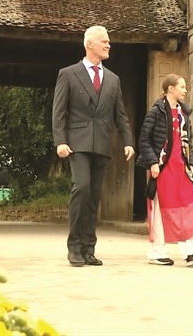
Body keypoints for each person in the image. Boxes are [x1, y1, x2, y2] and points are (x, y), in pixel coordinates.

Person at [52, 25, 135, 267]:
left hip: (102, 143)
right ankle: (74, 246)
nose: (109, 45)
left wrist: (128, 141)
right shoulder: (68, 74)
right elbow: (59, 112)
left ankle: (89, 248)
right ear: (89, 44)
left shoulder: (113, 79)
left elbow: (120, 114)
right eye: (104, 41)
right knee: (82, 188)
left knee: (94, 196)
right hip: (76, 144)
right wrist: (60, 141)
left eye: (109, 42)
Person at [136, 74, 193, 267]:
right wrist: (152, 163)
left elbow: (189, 142)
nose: (185, 90)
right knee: (161, 209)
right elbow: (144, 139)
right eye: (182, 87)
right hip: (162, 168)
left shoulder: (185, 114)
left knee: (189, 205)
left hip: (181, 167)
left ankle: (192, 252)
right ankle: (157, 252)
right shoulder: (156, 111)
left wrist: (191, 162)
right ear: (170, 89)